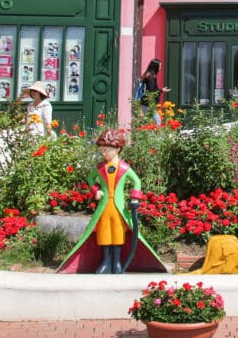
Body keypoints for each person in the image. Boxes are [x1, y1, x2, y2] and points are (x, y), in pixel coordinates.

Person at [57, 129, 166, 274]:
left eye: (107, 150)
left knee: (118, 235)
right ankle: (105, 263)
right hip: (104, 207)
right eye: (102, 150)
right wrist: (96, 190)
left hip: (119, 209)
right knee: (104, 234)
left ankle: (117, 264)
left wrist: (134, 198)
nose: (103, 153)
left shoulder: (124, 168)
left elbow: (136, 181)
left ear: (117, 149)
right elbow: (90, 179)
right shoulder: (100, 167)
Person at [137, 59, 170, 125]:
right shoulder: (151, 77)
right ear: (156, 67)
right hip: (148, 103)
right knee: (157, 121)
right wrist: (162, 90)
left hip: (145, 103)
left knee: (149, 123)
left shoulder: (148, 75)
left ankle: (150, 134)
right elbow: (151, 91)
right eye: (159, 66)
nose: (160, 68)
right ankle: (156, 135)